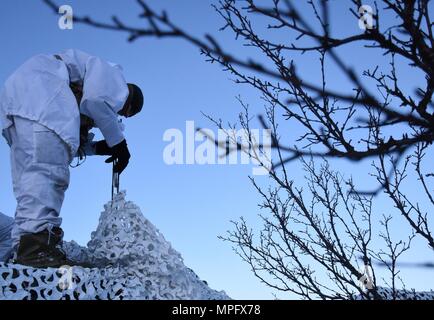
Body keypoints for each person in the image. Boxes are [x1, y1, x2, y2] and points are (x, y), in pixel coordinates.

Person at [0, 49, 144, 268]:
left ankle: (24, 249)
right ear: (128, 98)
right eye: (126, 112)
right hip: (44, 100)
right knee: (48, 177)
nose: (121, 115)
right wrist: (119, 144)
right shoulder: (114, 78)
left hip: (26, 106)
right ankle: (37, 251)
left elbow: (60, 144)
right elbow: (95, 101)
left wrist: (97, 148)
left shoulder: (84, 82)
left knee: (32, 182)